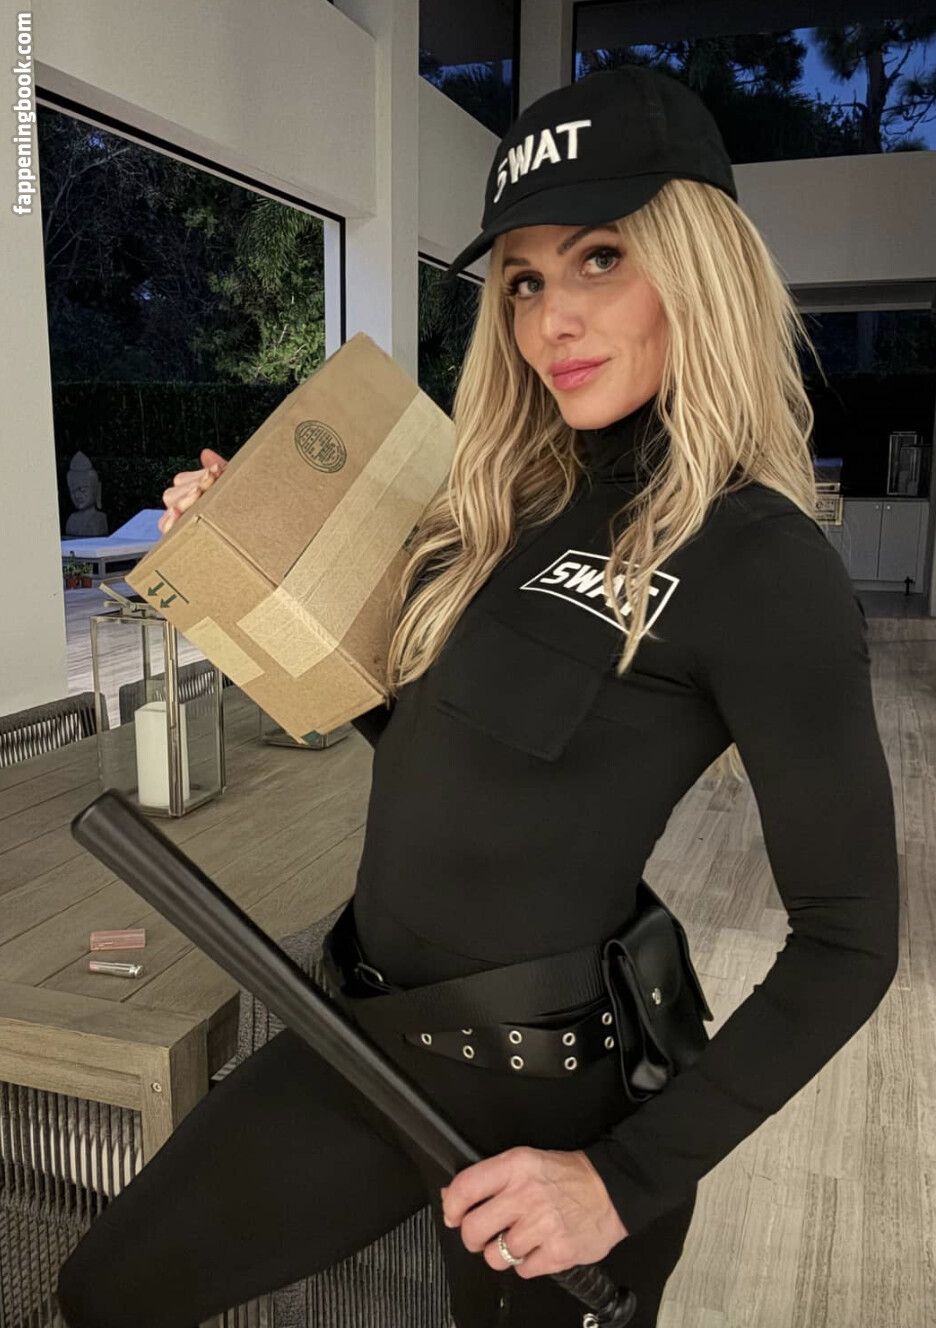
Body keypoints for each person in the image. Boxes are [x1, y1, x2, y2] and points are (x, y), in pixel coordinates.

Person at [55, 65, 899, 1328]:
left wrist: (620, 1181)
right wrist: (247, 557)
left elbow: (850, 939)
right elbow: (425, 731)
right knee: (104, 1289)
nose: (553, 317)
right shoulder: (499, 501)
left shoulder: (761, 561)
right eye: (523, 281)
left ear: (700, 265)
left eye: (601, 257)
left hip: (556, 1105)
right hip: (362, 1037)